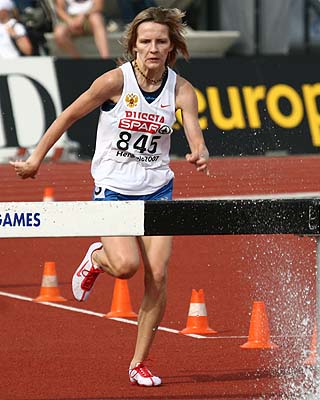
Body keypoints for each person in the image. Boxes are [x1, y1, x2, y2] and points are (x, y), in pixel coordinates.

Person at [11, 7, 209, 386]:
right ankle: (97, 258)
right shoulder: (115, 82)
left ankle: (139, 362)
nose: (153, 48)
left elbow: (195, 134)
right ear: (134, 45)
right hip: (114, 188)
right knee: (125, 266)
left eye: (161, 42)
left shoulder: (181, 90)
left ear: (171, 47)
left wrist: (199, 153)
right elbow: (68, 116)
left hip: (157, 190)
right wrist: (36, 158)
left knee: (158, 276)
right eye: (146, 41)